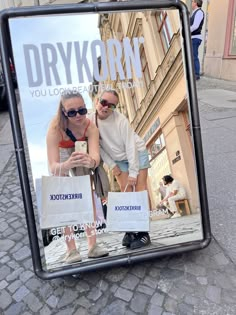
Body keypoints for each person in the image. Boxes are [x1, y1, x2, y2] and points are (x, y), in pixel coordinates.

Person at [46, 91, 108, 264]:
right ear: (64, 112)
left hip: (81, 148)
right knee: (66, 200)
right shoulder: (54, 128)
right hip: (61, 153)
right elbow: (53, 166)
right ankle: (71, 249)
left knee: (87, 195)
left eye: (82, 110)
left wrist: (91, 161)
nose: (78, 115)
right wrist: (66, 166)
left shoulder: (90, 127)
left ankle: (92, 246)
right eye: (72, 112)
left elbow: (95, 156)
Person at [89, 89, 151, 250]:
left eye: (112, 105)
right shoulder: (91, 121)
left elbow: (131, 145)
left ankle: (144, 234)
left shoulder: (120, 120)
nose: (106, 107)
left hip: (136, 153)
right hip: (118, 160)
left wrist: (133, 172)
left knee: (139, 192)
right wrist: (112, 165)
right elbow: (98, 147)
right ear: (97, 101)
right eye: (103, 102)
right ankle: (130, 231)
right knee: (126, 195)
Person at [190, 0, 205, 80]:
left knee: (194, 56)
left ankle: (196, 74)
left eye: (192, 1)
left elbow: (195, 26)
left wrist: (186, 30)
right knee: (192, 56)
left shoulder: (199, 12)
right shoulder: (194, 12)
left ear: (195, 3)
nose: (191, 3)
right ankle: (193, 73)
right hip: (193, 37)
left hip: (195, 38)